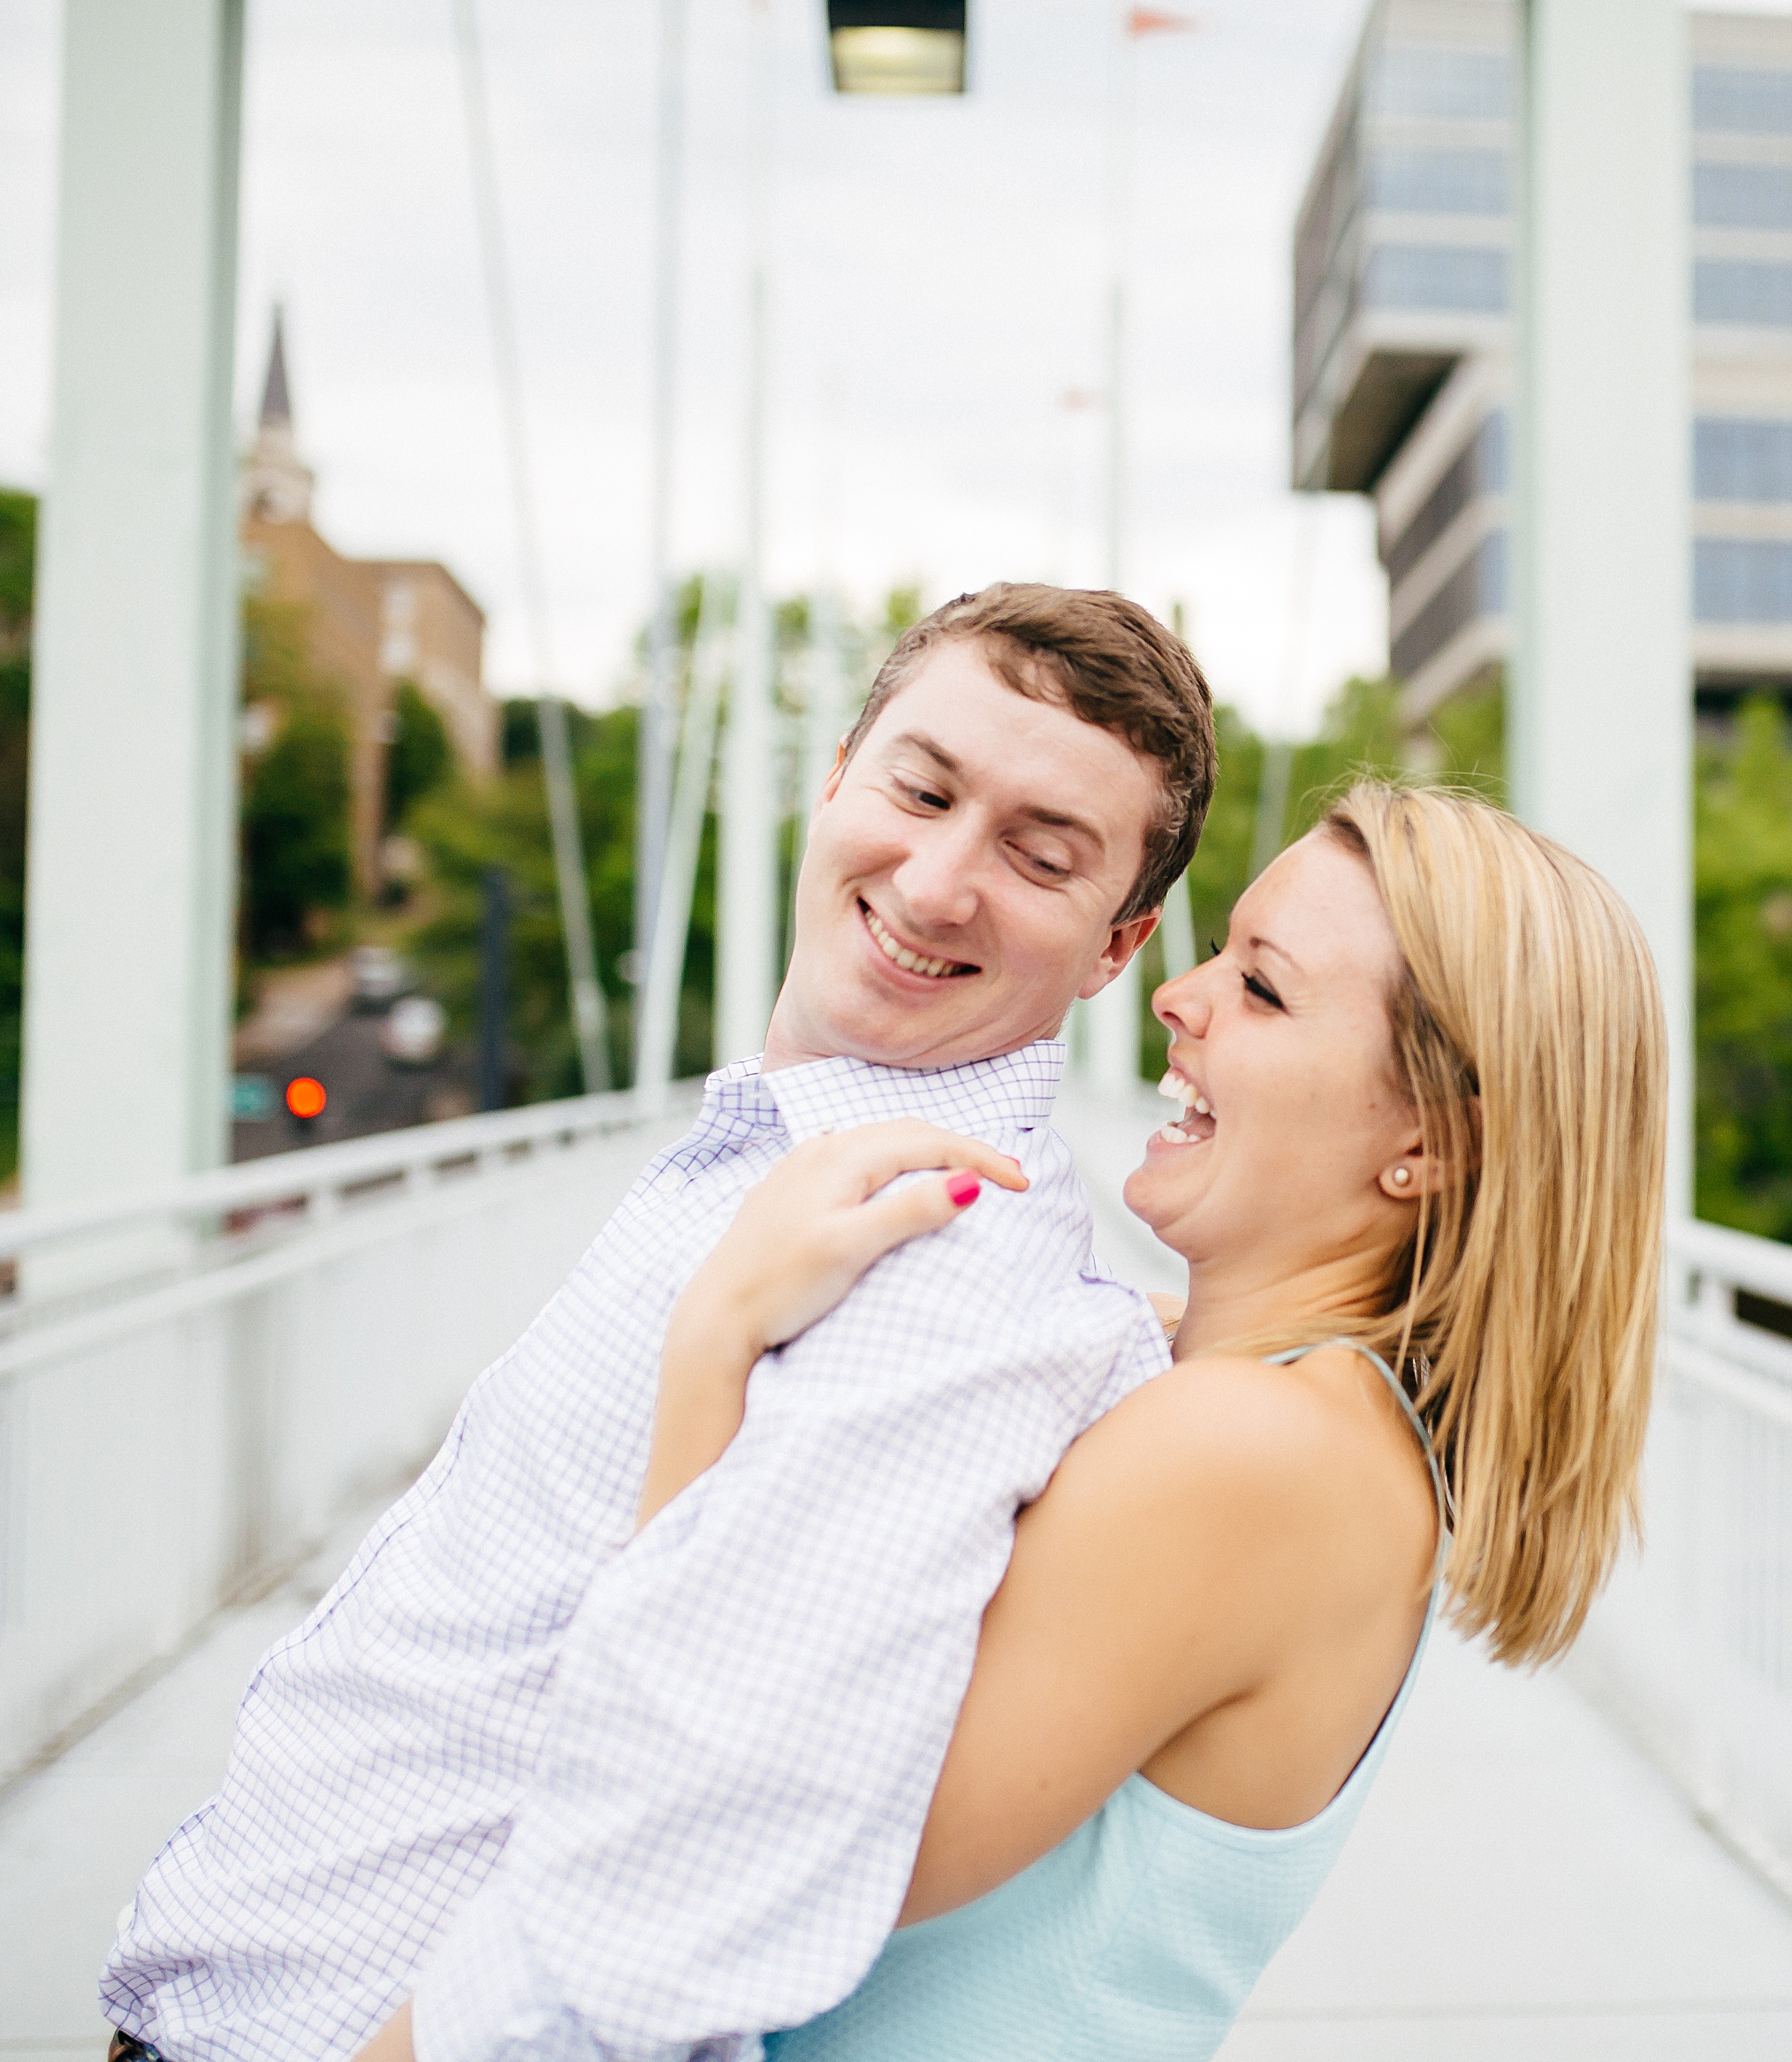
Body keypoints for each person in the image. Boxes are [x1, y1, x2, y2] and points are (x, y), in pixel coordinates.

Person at [100, 583, 1217, 2062]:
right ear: (837, 779)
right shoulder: (787, 1167)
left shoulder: (935, 1268)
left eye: (1039, 853)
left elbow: (681, 1862)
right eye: (923, 787)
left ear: (1117, 947)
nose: (940, 881)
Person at [385, 783, 1666, 2058]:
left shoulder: (1254, 1450)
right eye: (1219, 946)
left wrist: (717, 1338)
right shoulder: (1282, 1409)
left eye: (1263, 989)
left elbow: (717, 1861)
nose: (1179, 993)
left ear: (1432, 1141)